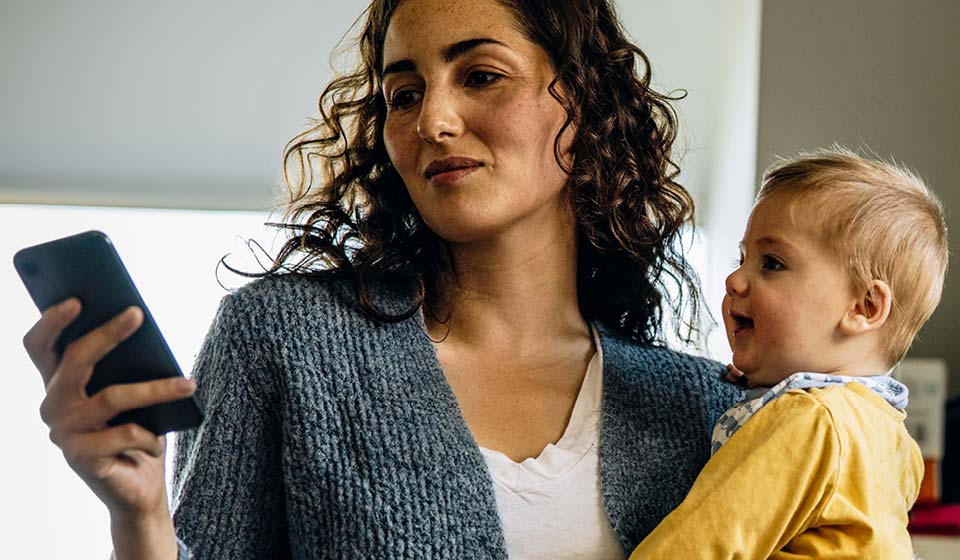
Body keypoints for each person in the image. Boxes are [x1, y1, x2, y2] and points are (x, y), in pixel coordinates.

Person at [22, 0, 742, 558]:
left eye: (481, 76)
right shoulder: (285, 340)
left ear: (582, 102)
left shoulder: (708, 407)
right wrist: (140, 516)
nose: (433, 119)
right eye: (403, 93)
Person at [630, 148, 948, 558]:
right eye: (741, 259)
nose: (734, 279)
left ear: (863, 308)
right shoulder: (890, 433)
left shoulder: (809, 421)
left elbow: (698, 546)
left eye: (772, 263)